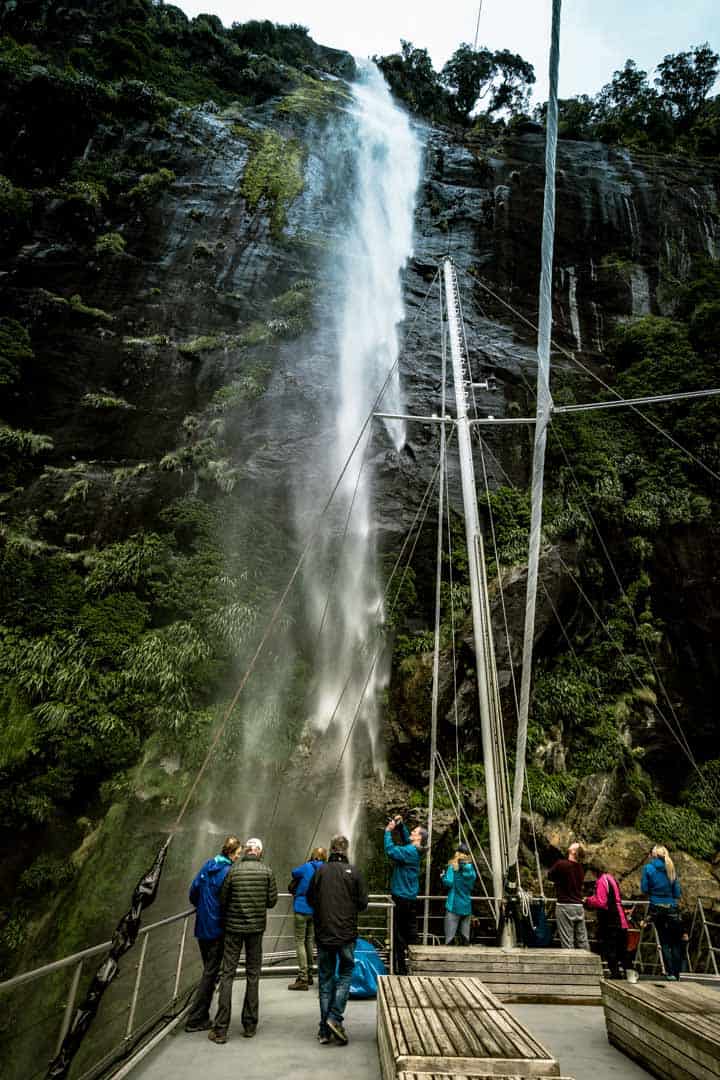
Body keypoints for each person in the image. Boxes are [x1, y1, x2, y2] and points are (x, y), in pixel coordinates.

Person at [208, 837, 278, 1044]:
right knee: (253, 975)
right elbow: (272, 901)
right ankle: (249, 1025)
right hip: (256, 930)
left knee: (228, 974)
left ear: (246, 850)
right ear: (259, 852)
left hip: (233, 930)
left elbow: (223, 899)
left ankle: (220, 1029)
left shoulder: (233, 871)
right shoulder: (267, 872)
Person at [306, 834, 368, 1046]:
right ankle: (335, 1018)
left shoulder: (320, 871)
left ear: (332, 849)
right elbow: (363, 904)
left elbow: (310, 899)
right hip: (346, 935)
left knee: (325, 979)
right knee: (345, 973)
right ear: (346, 850)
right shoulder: (355, 872)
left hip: (323, 934)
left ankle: (324, 1030)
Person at [185, 835, 242, 1032]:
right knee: (210, 973)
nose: (238, 857)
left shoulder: (208, 866)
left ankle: (201, 1015)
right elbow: (229, 900)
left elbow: (193, 891)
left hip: (202, 927)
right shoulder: (228, 872)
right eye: (238, 854)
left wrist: (201, 907)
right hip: (218, 928)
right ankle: (195, 1018)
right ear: (232, 853)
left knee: (209, 972)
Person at [384, 815, 427, 975]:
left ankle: (401, 968)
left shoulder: (409, 851)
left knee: (398, 935)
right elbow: (407, 841)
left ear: (419, 837)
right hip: (410, 897)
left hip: (401, 898)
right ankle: (415, 965)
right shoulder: (416, 850)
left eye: (414, 831)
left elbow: (391, 851)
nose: (412, 832)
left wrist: (388, 832)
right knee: (411, 932)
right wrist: (401, 826)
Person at [641, 843, 683, 979]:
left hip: (656, 907)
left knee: (664, 941)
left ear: (653, 855)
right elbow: (677, 892)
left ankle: (670, 973)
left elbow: (644, 889)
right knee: (676, 942)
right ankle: (677, 973)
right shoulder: (671, 867)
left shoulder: (648, 868)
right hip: (672, 908)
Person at [288, 846, 327, 991]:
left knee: (300, 941)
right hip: (315, 910)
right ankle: (310, 973)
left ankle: (303, 977)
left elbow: (294, 873)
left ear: (313, 856)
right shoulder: (326, 869)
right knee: (310, 940)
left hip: (301, 908)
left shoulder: (307, 867)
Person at [585, 860, 629, 978]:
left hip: (611, 920)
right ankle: (627, 974)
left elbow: (601, 902)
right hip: (621, 918)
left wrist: (588, 900)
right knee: (622, 950)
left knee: (610, 949)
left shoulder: (601, 880)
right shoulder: (611, 878)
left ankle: (615, 976)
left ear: (594, 871)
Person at [548, 841, 589, 949]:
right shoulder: (580, 868)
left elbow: (550, 875)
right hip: (578, 906)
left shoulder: (561, 864)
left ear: (573, 851)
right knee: (582, 939)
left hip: (564, 906)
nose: (573, 843)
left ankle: (571, 964)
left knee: (567, 941)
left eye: (575, 845)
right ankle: (586, 962)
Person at [441, 842, 477, 945]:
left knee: (449, 939)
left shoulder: (453, 867)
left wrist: (443, 877)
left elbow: (449, 882)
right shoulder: (472, 872)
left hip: (453, 905)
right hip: (466, 906)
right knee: (465, 939)